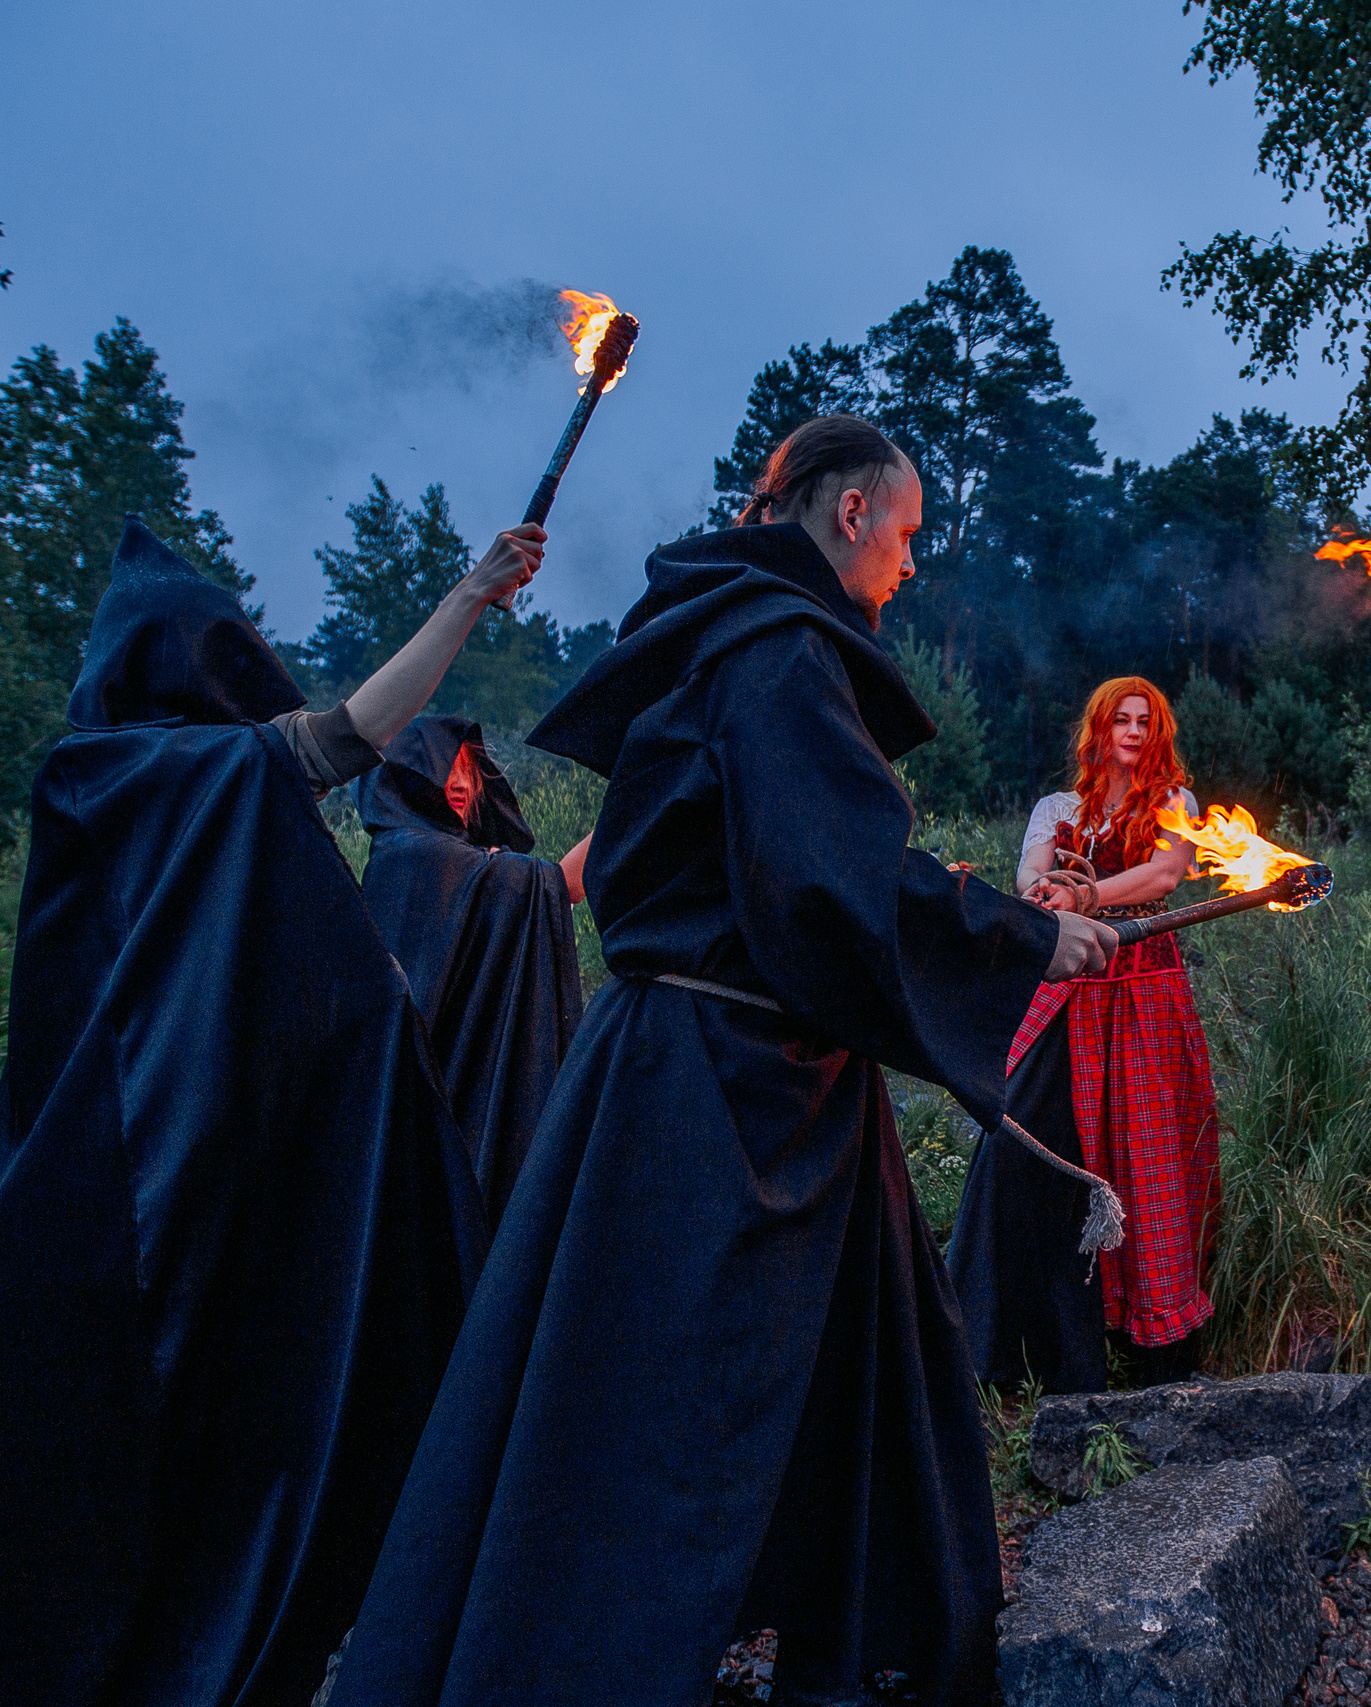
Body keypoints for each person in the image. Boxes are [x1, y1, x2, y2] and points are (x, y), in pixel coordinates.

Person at [330, 416, 1116, 1707]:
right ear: (850, 514)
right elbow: (832, 883)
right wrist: (1028, 932)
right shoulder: (779, 651)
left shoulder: (725, 639)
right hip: (725, 1092)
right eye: (907, 534)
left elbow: (783, 864)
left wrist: (987, 916)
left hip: (717, 1066)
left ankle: (869, 1632)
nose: (911, 565)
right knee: (655, 1413)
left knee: (879, 1362)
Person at [0, 515, 541, 1707]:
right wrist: (465, 595)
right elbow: (349, 736)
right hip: (142, 1166)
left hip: (161, 1150)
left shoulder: (113, 776)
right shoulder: (148, 772)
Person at [946, 677, 1221, 1392]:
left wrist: (1087, 893)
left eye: (1145, 720)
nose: (1133, 729)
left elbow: (1165, 873)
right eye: (1120, 719)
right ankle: (1003, 1345)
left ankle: (1151, 1352)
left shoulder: (1175, 805)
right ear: (1097, 730)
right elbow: (1030, 871)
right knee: (1022, 1144)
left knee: (1143, 1160)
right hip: (1066, 991)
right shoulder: (1058, 808)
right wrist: (1048, 892)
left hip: (1142, 997)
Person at [351, 715, 585, 1223]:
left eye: (467, 769)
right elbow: (559, 887)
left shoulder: (398, 854)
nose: (459, 781)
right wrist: (640, 794)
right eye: (444, 767)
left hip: (420, 1085)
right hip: (437, 1085)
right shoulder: (423, 857)